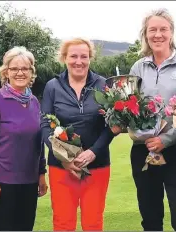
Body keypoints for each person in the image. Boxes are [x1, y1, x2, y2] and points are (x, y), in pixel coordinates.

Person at [128, 8, 176, 231]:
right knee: (150, 218)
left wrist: (166, 140)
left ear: (171, 33)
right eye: (152, 30)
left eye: (163, 29)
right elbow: (129, 108)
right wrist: (135, 131)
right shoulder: (137, 67)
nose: (157, 35)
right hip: (143, 151)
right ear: (145, 34)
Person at [41, 38, 115, 231]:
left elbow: (113, 124)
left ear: (90, 58)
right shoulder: (52, 86)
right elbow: (45, 125)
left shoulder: (103, 84)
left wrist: (93, 152)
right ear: (64, 58)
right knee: (63, 223)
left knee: (93, 223)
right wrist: (64, 158)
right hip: (61, 168)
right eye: (73, 56)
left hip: (97, 166)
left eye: (84, 56)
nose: (79, 61)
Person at [0, 46, 48, 231]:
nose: (20, 73)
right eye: (14, 68)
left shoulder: (33, 102)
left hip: (29, 182)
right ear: (6, 72)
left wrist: (41, 174)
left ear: (31, 72)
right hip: (1, 183)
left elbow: (38, 142)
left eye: (25, 68)